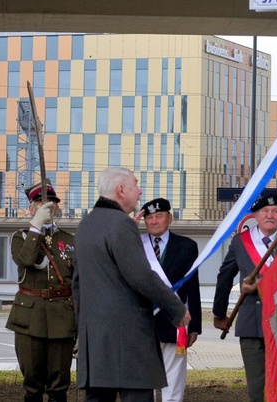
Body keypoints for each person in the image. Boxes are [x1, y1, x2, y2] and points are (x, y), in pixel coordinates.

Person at [73, 167, 191, 402]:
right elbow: (141, 276)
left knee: (97, 397)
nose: (140, 192)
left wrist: (84, 325)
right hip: (128, 340)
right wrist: (176, 309)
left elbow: (77, 284)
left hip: (94, 337)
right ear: (120, 190)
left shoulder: (85, 225)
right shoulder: (121, 224)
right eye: (136, 185)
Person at [213, 192, 277, 402]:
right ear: (255, 217)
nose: (270, 215)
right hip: (252, 323)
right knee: (258, 390)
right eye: (264, 211)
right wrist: (219, 313)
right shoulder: (240, 242)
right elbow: (225, 276)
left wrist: (260, 285)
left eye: (275, 211)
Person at [6, 181, 76, 402]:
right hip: (30, 317)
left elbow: (77, 281)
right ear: (31, 208)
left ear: (57, 208)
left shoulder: (69, 239)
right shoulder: (22, 237)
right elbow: (26, 259)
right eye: (40, 202)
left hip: (62, 317)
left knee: (59, 385)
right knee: (33, 384)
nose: (47, 206)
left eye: (51, 202)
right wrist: (36, 225)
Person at [140, 197, 202, 402]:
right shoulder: (135, 245)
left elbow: (193, 288)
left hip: (174, 323)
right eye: (149, 217)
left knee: (173, 387)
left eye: (159, 216)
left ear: (170, 218)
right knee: (142, 385)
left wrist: (195, 326)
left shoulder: (186, 246)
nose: (154, 221)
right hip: (142, 324)